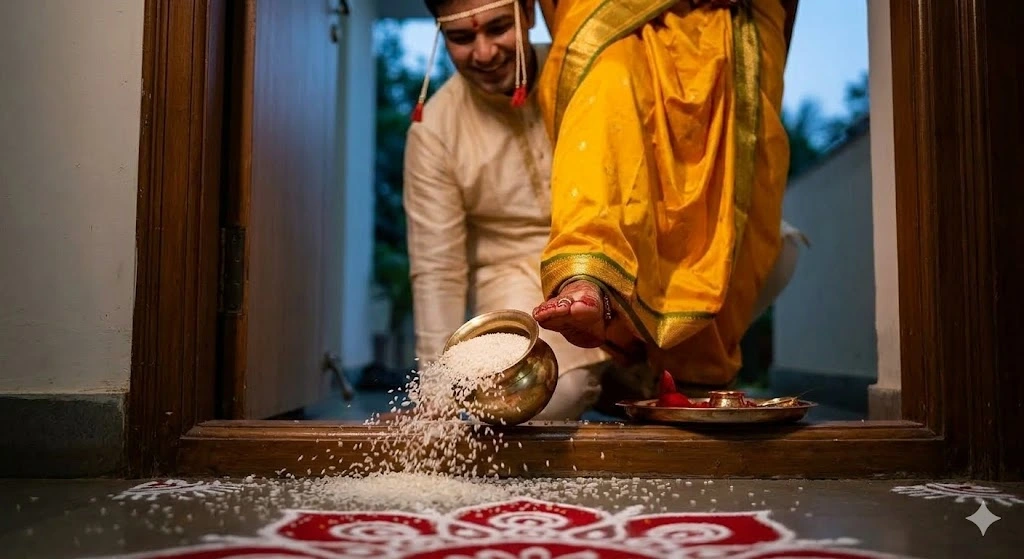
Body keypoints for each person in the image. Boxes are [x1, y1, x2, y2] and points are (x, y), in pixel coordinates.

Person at [529, 0, 804, 396]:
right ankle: (586, 276)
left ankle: (694, 376)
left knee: (733, 179)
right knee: (607, 90)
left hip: (735, 17)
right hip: (617, 10)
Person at [403, 0, 613, 420]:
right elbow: (438, 266)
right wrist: (435, 389)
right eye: (461, 38)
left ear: (530, 15)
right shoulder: (435, 129)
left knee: (777, 248)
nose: (483, 53)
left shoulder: (584, 76)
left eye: (498, 28)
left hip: (612, 253)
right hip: (514, 280)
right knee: (547, 397)